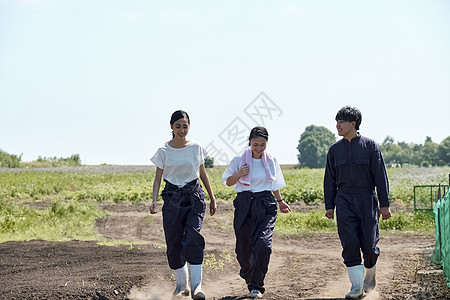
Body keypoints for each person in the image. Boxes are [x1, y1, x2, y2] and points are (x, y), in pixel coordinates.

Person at [324, 106, 392, 299]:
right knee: (350, 242)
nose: (337, 125)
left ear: (353, 124)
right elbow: (329, 179)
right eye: (336, 122)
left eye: (341, 122)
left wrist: (384, 204)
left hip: (367, 198)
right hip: (343, 198)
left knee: (369, 245)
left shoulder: (370, 146)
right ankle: (356, 287)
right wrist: (329, 205)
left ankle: (369, 276)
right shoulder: (334, 150)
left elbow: (381, 176)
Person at [150, 110, 217, 300]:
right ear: (171, 127)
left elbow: (202, 174)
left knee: (193, 237)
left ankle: (197, 287)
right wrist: (154, 200)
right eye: (178, 126)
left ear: (189, 127)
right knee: (174, 243)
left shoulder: (196, 148)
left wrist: (212, 198)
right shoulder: (163, 151)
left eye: (185, 126)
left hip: (194, 196)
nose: (182, 130)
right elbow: (157, 179)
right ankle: (181, 287)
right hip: (172, 198)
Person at [222, 126, 291, 299]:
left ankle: (257, 286)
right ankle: (249, 274)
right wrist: (239, 173)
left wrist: (280, 202)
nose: (259, 149)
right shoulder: (239, 159)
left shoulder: (271, 159)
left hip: (266, 204)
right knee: (243, 251)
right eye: (255, 145)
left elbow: (274, 184)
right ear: (250, 142)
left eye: (262, 145)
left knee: (263, 246)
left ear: (267, 143)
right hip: (244, 204)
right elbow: (228, 182)